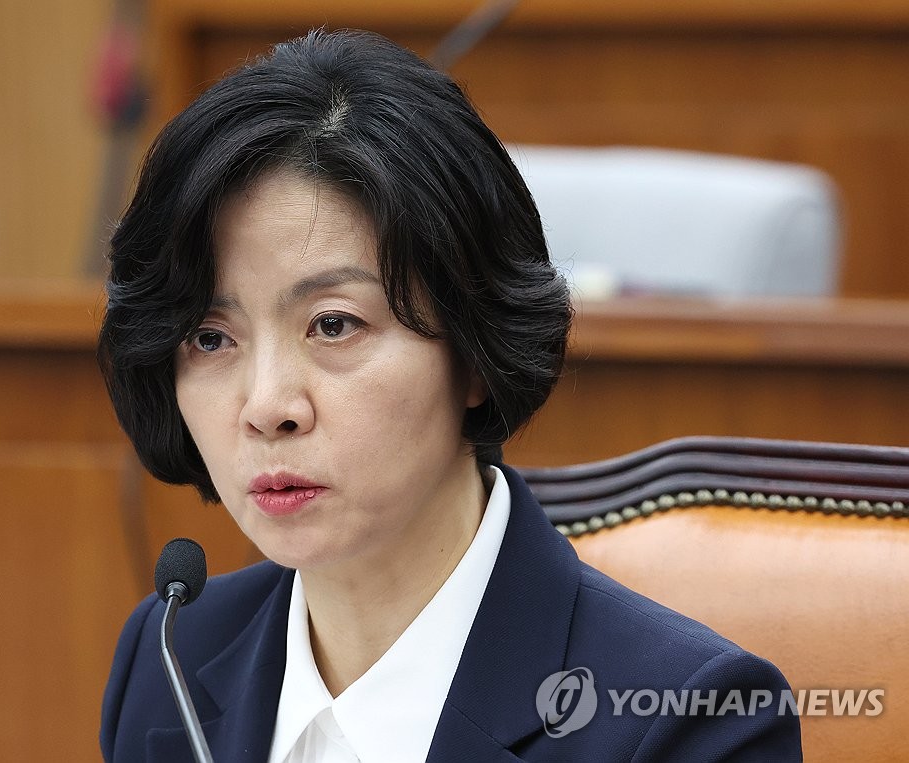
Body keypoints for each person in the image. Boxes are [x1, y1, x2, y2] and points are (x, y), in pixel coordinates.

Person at [97, 29, 801, 762]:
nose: (268, 404)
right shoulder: (168, 655)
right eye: (211, 338)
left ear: (472, 350)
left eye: (334, 324)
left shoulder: (692, 722)